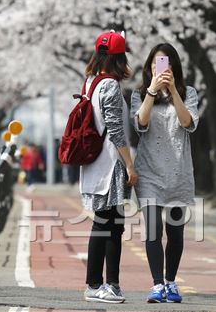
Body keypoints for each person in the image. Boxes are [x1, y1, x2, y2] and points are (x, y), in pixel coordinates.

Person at [130, 42, 199, 304]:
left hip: (179, 172)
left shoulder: (189, 93)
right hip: (149, 172)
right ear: (149, 68)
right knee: (153, 230)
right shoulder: (139, 95)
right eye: (157, 64)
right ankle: (157, 284)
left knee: (176, 233)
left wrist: (173, 91)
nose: (162, 69)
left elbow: (187, 122)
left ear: (174, 67)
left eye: (167, 63)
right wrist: (152, 91)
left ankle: (171, 282)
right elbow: (141, 124)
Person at [81, 31, 138, 304]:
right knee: (113, 225)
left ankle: (94, 283)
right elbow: (116, 131)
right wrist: (130, 165)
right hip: (112, 163)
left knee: (102, 223)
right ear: (120, 58)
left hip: (94, 163)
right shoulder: (111, 86)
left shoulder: (90, 82)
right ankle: (110, 285)